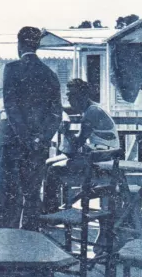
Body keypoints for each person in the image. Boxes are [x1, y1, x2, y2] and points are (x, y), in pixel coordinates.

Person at [0, 26, 62, 231]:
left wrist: (25, 137)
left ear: (19, 44)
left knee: (6, 196)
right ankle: (30, 246)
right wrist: (41, 139)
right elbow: (56, 113)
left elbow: (11, 107)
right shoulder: (50, 74)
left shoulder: (12, 69)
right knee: (32, 194)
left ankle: (2, 248)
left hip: (12, 141)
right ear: (37, 45)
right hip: (38, 147)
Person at [43, 79, 120, 214]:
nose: (70, 100)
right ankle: (56, 208)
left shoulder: (92, 112)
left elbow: (75, 146)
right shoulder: (93, 108)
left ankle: (52, 211)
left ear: (84, 96)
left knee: (51, 170)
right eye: (68, 96)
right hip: (100, 158)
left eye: (73, 96)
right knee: (48, 163)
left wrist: (65, 132)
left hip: (101, 163)